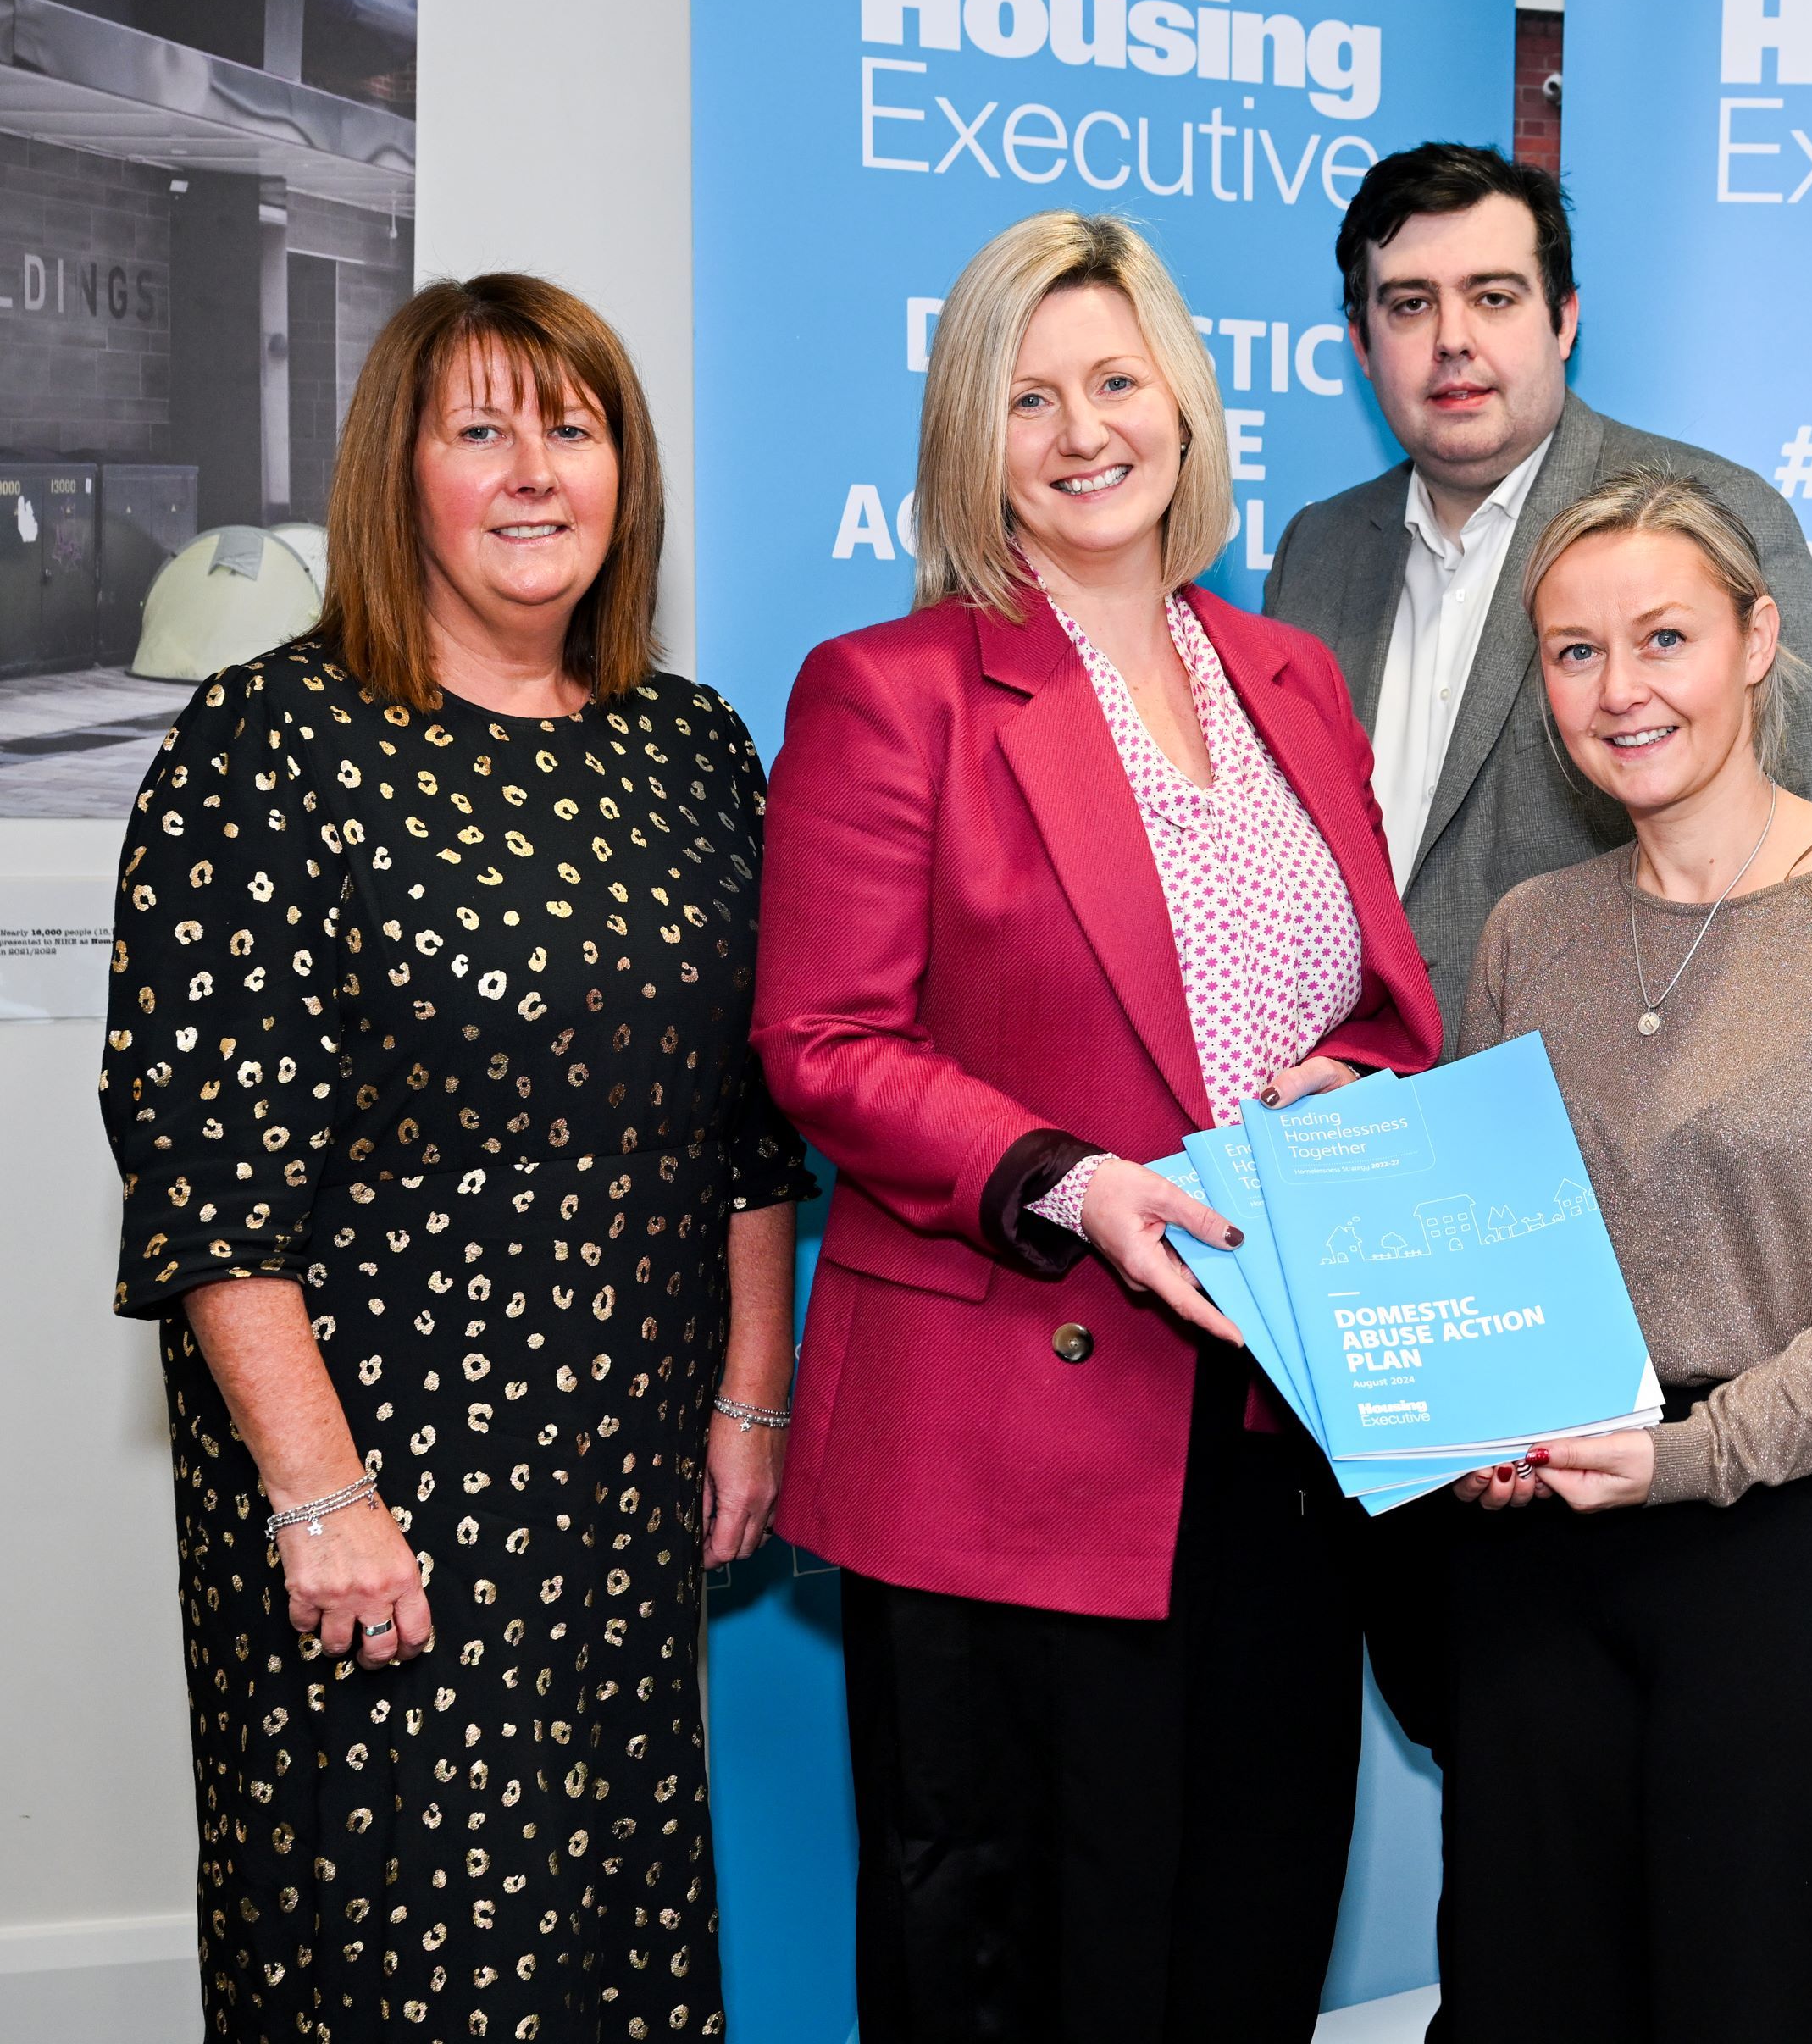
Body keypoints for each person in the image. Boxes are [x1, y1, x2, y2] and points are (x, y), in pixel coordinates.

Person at [101, 274, 812, 2041]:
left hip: (619, 1486)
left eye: (571, 430)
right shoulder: (269, 748)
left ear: (622, 474)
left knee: (607, 1944)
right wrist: (321, 1501)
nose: (531, 473)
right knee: (391, 1961)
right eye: (479, 428)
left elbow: (743, 1128)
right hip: (379, 1507)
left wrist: (748, 1397)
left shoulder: (692, 750)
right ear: (396, 470)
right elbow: (208, 1176)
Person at [752, 209, 1437, 2044]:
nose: (1080, 432)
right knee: (1025, 1968)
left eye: (1115, 381)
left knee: (1243, 1931)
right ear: (971, 440)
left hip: (1276, 1430)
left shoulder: (1288, 673)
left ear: (1185, 407)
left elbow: (1373, 993)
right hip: (1010, 1451)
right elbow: (818, 1039)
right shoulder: (887, 693)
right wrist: (1067, 1181)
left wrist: (1353, 1080)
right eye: (1027, 396)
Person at [1262, 140, 1812, 1760]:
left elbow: (1802, 896)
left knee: (1613, 1763)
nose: (1453, 340)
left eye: (1493, 296)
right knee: (1466, 1719)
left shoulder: (1708, 520)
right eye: (1407, 306)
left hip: (1627, 1272)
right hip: (1381, 1251)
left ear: (1567, 316)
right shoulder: (1314, 551)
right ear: (1361, 341)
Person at [1431, 467, 1812, 2044]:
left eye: (1665, 638)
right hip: (1545, 1574)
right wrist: (1473, 1430)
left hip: (1810, 1565)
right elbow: (1490, 1252)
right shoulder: (1528, 930)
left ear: (1760, 641)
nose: (1619, 691)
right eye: (1572, 652)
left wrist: (1693, 1455)